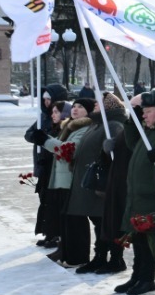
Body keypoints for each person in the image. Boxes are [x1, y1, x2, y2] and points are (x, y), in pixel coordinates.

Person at [36, 96, 101, 268]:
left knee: (75, 221)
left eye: (80, 107)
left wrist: (45, 140)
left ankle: (77, 255)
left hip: (72, 179)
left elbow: (69, 151)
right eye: (74, 106)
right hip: (62, 179)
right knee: (65, 219)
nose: (75, 109)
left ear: (88, 111)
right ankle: (66, 251)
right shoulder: (71, 127)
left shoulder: (85, 128)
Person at [119, 90, 155, 295]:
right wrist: (133, 119)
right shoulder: (149, 129)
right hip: (137, 196)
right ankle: (138, 275)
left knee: (150, 245)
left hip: (151, 197)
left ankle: (147, 278)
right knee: (138, 239)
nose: (144, 115)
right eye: (143, 112)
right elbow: (131, 142)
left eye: (148, 111)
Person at [89, 91, 130, 277]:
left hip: (113, 180)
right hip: (107, 179)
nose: (95, 106)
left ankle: (115, 258)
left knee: (112, 222)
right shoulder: (99, 123)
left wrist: (108, 151)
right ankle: (101, 256)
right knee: (103, 223)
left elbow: (119, 152)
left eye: (99, 103)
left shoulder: (113, 125)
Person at [26, 82, 67, 248]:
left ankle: (57, 234)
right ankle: (49, 232)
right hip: (43, 165)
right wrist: (38, 136)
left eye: (49, 99)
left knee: (55, 202)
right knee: (45, 201)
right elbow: (29, 134)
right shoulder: (43, 116)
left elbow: (60, 141)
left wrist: (45, 138)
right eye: (44, 99)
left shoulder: (63, 115)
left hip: (55, 166)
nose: (46, 102)